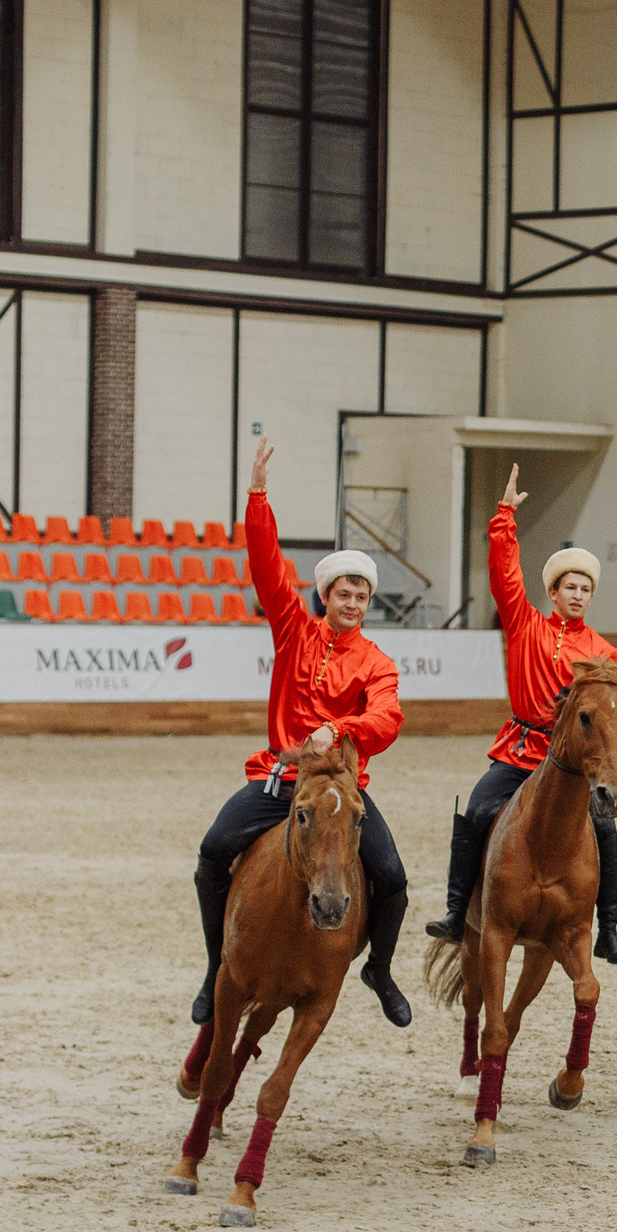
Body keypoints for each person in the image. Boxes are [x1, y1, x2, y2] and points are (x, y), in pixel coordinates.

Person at [191, 437, 412, 1027]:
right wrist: (258, 495)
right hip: (280, 782)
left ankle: (380, 971)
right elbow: (266, 566)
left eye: (363, 596)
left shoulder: (377, 662)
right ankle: (216, 968)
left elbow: (387, 718)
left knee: (392, 878)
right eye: (345, 594)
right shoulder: (293, 630)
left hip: (341, 792)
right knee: (213, 852)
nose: (354, 603)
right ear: (325, 597)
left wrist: (337, 727)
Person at [422, 465, 617, 964]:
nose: (578, 595)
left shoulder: (604, 652)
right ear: (554, 592)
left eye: (586, 589)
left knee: (606, 833)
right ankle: (455, 912)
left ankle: (608, 929)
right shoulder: (526, 625)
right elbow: (504, 574)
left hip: (572, 765)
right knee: (476, 811)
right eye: (570, 587)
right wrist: (505, 517)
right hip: (521, 751)